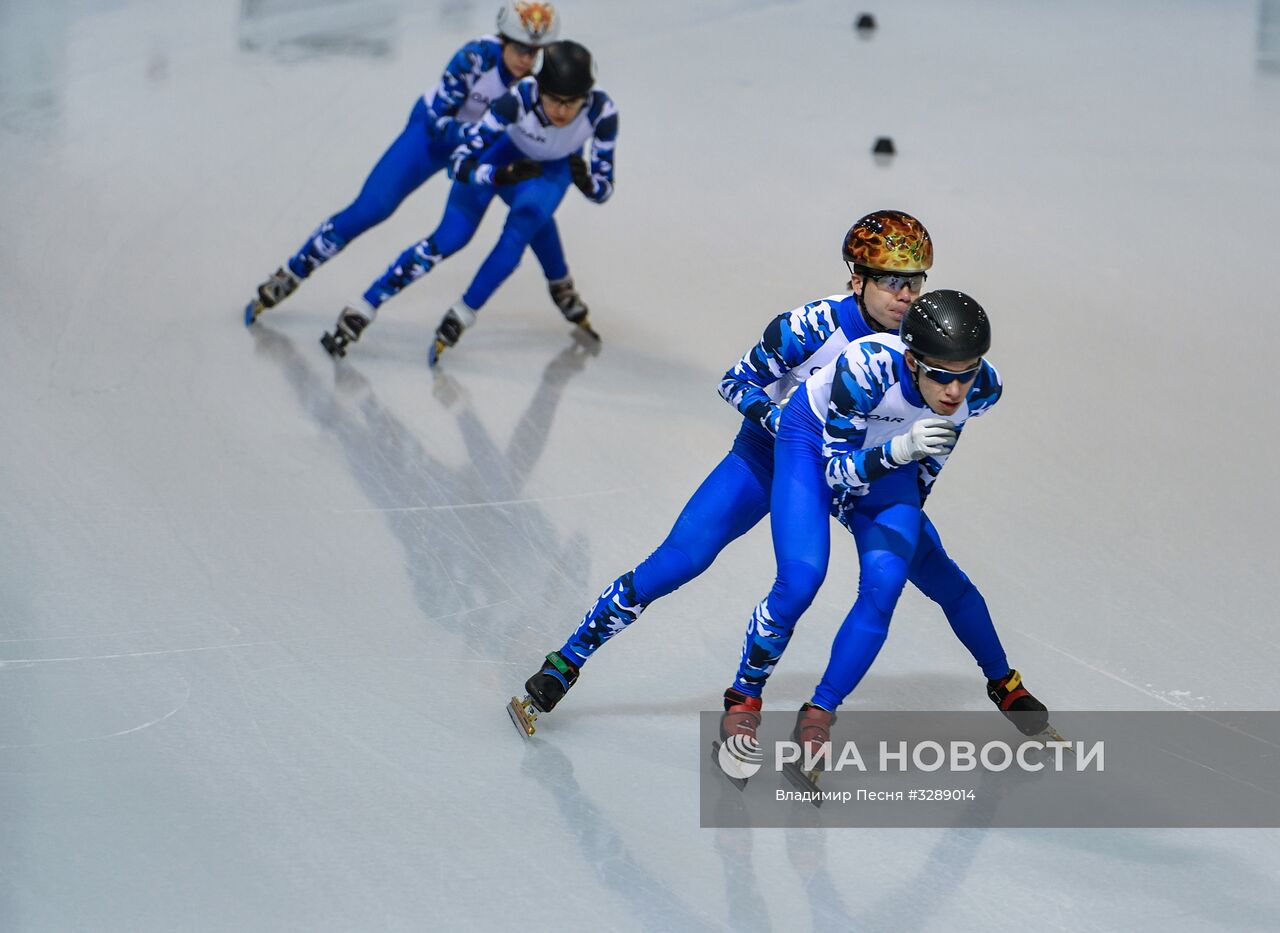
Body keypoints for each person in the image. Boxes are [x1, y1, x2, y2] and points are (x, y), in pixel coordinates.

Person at [506, 211, 1018, 739]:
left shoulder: (930, 352)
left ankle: (1004, 682)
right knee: (679, 561)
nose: (904, 295)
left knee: (934, 571)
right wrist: (785, 426)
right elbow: (734, 382)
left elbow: (941, 431)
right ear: (856, 278)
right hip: (774, 455)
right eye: (890, 281)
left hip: (863, 472)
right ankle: (566, 662)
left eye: (913, 282)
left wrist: (907, 496)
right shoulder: (812, 325)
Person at [721, 290, 1049, 772]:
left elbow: (934, 456)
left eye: (967, 372)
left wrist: (906, 499)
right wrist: (898, 452)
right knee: (800, 580)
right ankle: (744, 695)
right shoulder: (867, 365)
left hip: (893, 464)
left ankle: (821, 712)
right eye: (940, 374)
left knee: (896, 582)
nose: (954, 390)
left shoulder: (984, 389)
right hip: (817, 448)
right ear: (912, 360)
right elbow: (833, 476)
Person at [242, 4, 588, 328]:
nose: (529, 61)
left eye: (537, 52)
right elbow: (438, 120)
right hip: (434, 138)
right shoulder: (475, 59)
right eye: (522, 50)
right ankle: (292, 272)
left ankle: (561, 284)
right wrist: (480, 135)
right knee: (371, 208)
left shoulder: (549, 79)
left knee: (531, 211)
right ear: (503, 41)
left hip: (488, 150)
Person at [319, 39, 617, 363]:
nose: (562, 111)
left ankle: (463, 314)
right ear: (539, 89)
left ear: (586, 97)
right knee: (449, 238)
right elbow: (460, 164)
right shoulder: (518, 99)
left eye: (571, 103)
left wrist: (586, 182)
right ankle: (365, 305)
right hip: (502, 157)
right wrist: (498, 176)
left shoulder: (602, 112)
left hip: (549, 173)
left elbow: (604, 190)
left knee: (523, 227)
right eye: (553, 100)